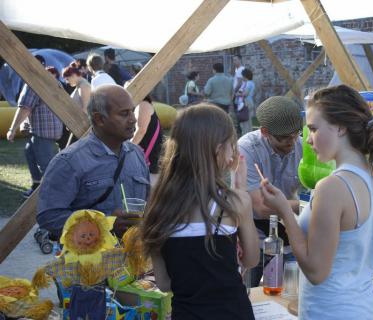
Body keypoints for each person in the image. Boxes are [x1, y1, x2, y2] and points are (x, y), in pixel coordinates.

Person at [260, 85, 373, 319]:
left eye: (313, 129)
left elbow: (316, 271)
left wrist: (284, 211)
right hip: (367, 308)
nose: (308, 140)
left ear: (340, 127)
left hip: (331, 311)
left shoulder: (332, 187)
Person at [141, 104, 259, 319]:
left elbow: (165, 283)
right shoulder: (234, 202)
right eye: (231, 145)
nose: (233, 152)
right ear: (218, 149)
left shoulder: (158, 206)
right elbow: (251, 259)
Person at [37, 84, 150, 239]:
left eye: (132, 111)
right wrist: (104, 225)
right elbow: (49, 217)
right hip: (91, 261)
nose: (133, 119)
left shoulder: (136, 154)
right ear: (99, 119)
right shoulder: (69, 161)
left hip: (135, 258)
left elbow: (148, 202)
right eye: (124, 114)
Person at [237, 96, 303, 287]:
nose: (291, 141)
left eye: (295, 134)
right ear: (265, 132)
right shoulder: (247, 148)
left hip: (289, 233)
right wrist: (306, 205)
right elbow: (260, 208)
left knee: (289, 292)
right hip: (253, 235)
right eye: (284, 137)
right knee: (250, 293)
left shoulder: (303, 145)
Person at [7, 63, 64, 198]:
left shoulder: (33, 84)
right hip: (50, 130)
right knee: (29, 151)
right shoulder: (52, 82)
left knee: (47, 168)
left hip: (43, 132)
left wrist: (12, 129)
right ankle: (37, 186)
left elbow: (25, 108)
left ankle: (55, 197)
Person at [235, 68, 255, 136]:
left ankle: (246, 136)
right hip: (249, 102)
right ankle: (249, 136)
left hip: (246, 103)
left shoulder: (248, 83)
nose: (242, 77)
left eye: (242, 75)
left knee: (245, 122)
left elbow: (245, 94)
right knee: (248, 122)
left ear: (245, 76)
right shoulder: (250, 83)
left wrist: (237, 94)